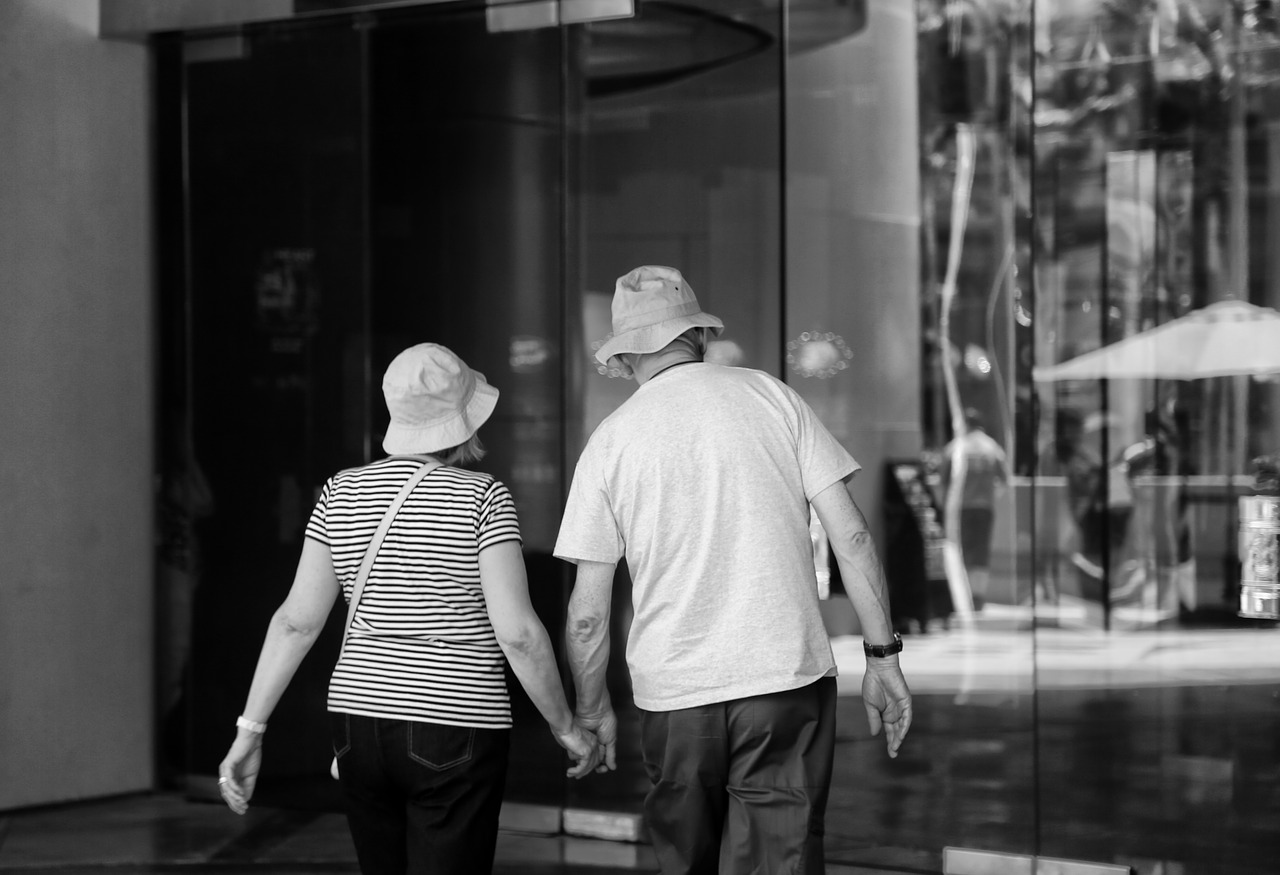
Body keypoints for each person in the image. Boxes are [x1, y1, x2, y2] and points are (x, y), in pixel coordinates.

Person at [555, 265, 913, 875]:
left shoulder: (609, 443)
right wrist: (882, 657)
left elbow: (588, 617)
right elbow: (851, 534)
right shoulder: (772, 397)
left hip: (675, 700)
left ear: (625, 357)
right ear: (696, 335)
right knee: (781, 862)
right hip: (784, 681)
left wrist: (591, 711)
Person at [217, 343, 602, 875]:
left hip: (357, 724)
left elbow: (295, 622)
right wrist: (565, 727)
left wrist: (249, 731)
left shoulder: (341, 492)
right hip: (456, 723)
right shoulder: (483, 497)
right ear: (466, 419)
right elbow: (517, 633)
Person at [939, 407, 1008, 611]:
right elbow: (1004, 480)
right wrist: (990, 496)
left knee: (961, 552)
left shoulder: (955, 447)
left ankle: (962, 595)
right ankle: (978, 596)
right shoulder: (992, 447)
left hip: (961, 508)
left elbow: (943, 482)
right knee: (981, 552)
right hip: (984, 508)